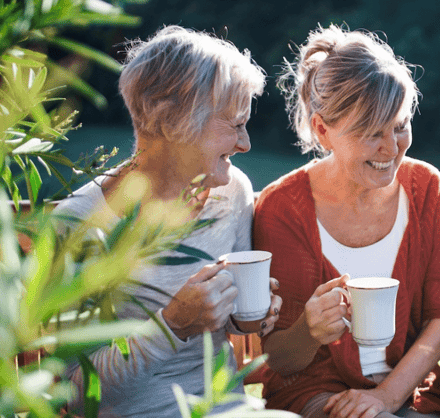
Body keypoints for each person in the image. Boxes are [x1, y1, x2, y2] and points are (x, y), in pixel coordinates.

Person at [54, 25, 281, 417]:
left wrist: (251, 314)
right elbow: (75, 392)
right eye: (234, 123)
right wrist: (170, 327)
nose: (245, 144)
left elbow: (234, 325)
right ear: (171, 120)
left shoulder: (232, 192)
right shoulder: (79, 224)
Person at [253, 25, 440, 418]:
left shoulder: (423, 187)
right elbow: (280, 360)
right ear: (322, 130)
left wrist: (385, 397)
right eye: (371, 133)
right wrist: (309, 332)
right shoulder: (284, 208)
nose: (390, 149)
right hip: (315, 395)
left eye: (400, 126)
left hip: (408, 391)